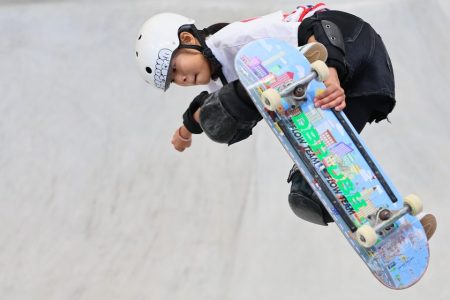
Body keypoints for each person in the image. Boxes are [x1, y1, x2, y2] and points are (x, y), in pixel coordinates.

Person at [135, 4, 437, 240]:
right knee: (310, 190)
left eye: (176, 67)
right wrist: (185, 131)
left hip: (349, 44)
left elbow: (318, 24)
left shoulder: (233, 40)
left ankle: (315, 84)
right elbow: (202, 106)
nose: (182, 78)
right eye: (174, 80)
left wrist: (330, 70)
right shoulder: (218, 83)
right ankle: (398, 227)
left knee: (232, 102)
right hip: (366, 86)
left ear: (188, 39)